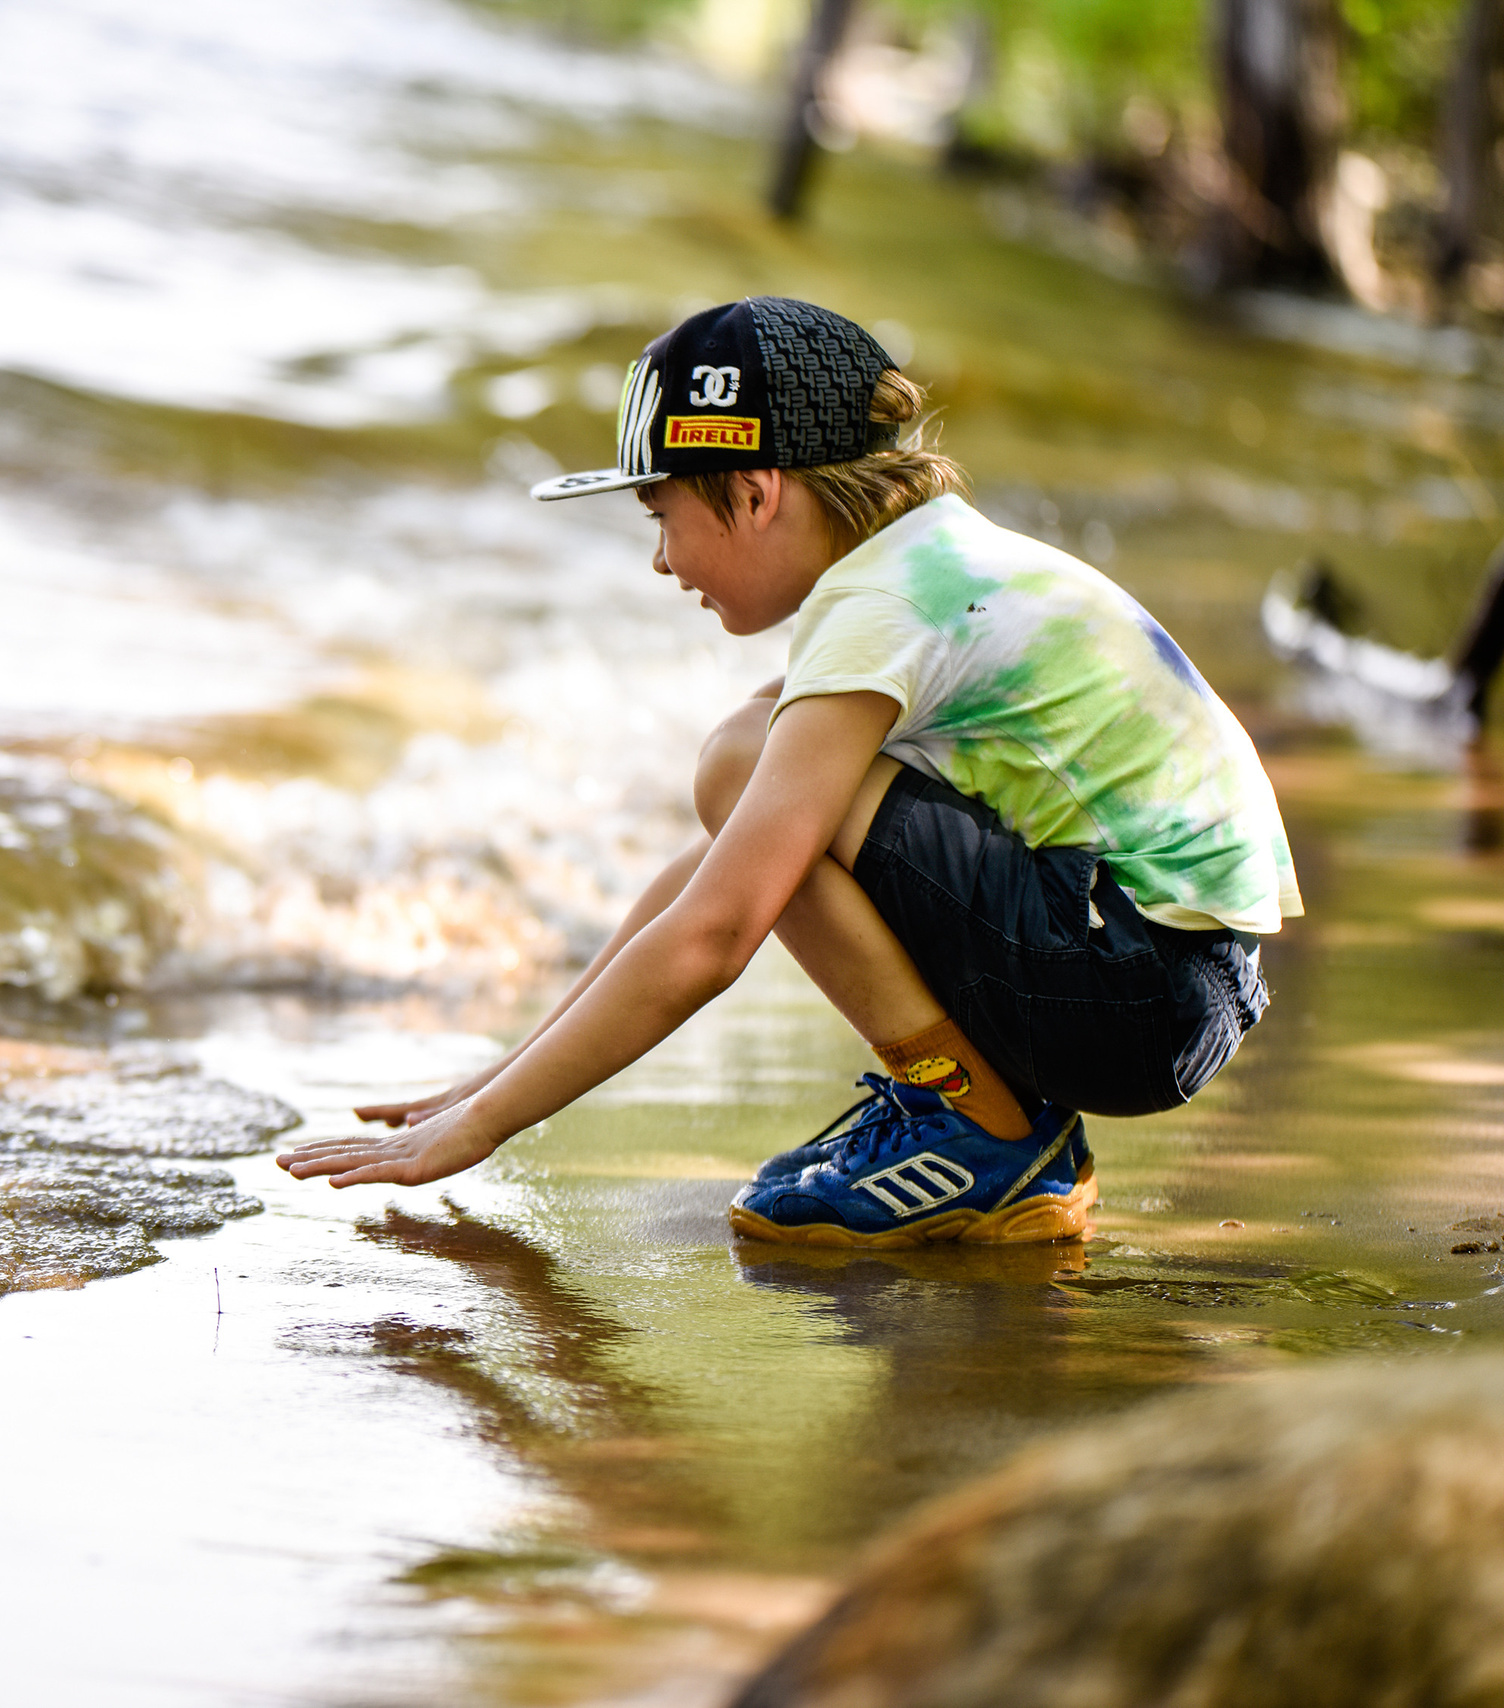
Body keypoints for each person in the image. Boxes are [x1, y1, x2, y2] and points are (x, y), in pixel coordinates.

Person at [275, 297, 1297, 1247]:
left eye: (660, 515)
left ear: (756, 490)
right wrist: (487, 1080)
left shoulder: (879, 610)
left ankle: (976, 1124)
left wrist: (477, 1131)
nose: (662, 563)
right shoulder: (923, 566)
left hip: (1132, 987)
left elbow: (719, 930)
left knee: (736, 759)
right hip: (1171, 977)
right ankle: (990, 1116)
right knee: (752, 758)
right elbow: (721, 870)